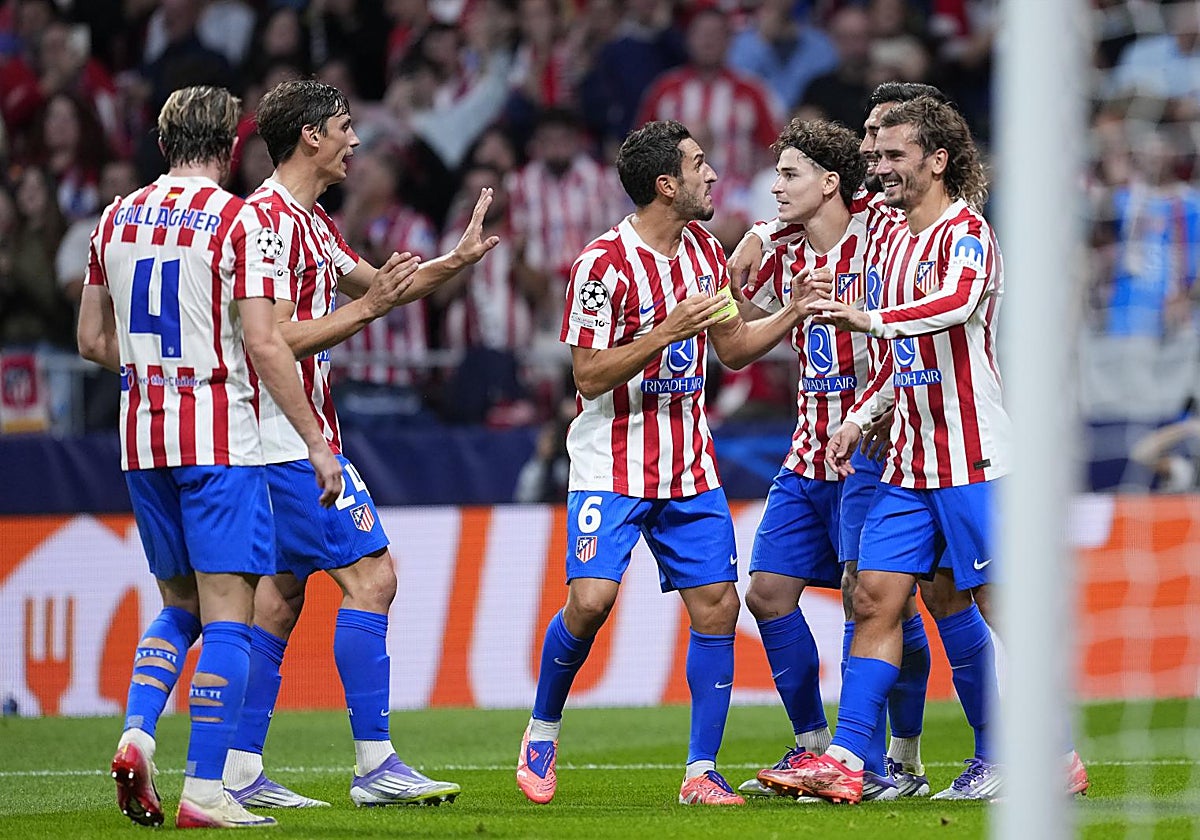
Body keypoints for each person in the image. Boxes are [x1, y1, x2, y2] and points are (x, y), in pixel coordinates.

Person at [514, 119, 827, 807]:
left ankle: (700, 771)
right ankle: (541, 730)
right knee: (590, 603)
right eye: (698, 164)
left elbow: (733, 348)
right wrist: (665, 332)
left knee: (717, 608)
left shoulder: (706, 253)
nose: (712, 174)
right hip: (611, 463)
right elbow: (588, 375)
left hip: (689, 465)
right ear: (666, 184)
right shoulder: (601, 265)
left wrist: (793, 311)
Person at [220, 78, 500, 809]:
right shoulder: (267, 223)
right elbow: (273, 340)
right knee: (373, 579)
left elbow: (382, 287)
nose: (355, 140)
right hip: (283, 438)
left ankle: (240, 769)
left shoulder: (311, 221)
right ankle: (375, 764)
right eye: (345, 126)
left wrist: (454, 261)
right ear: (309, 135)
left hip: (284, 436)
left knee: (279, 602)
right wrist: (368, 311)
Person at [76, 84, 343, 829]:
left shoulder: (114, 217)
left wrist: (158, 372)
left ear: (163, 145)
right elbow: (266, 341)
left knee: (179, 605)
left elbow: (92, 341)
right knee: (230, 613)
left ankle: (137, 734)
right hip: (219, 438)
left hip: (142, 441)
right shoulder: (239, 220)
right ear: (231, 146)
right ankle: (205, 788)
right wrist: (316, 444)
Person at [757, 95, 1009, 804]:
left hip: (971, 457)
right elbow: (901, 363)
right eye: (877, 151)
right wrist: (860, 416)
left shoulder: (966, 233)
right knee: (872, 598)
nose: (880, 163)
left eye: (895, 153)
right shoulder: (891, 240)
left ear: (938, 160)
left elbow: (954, 306)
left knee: (997, 607)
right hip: (904, 461)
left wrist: (867, 317)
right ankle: (848, 758)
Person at [730, 82, 951, 801]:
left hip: (875, 448)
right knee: (767, 594)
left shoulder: (883, 233)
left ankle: (900, 759)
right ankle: (814, 747)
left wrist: (873, 414)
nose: (775, 188)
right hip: (806, 450)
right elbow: (738, 340)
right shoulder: (780, 253)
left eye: (788, 174)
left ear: (831, 183)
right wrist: (758, 240)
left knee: (877, 599)